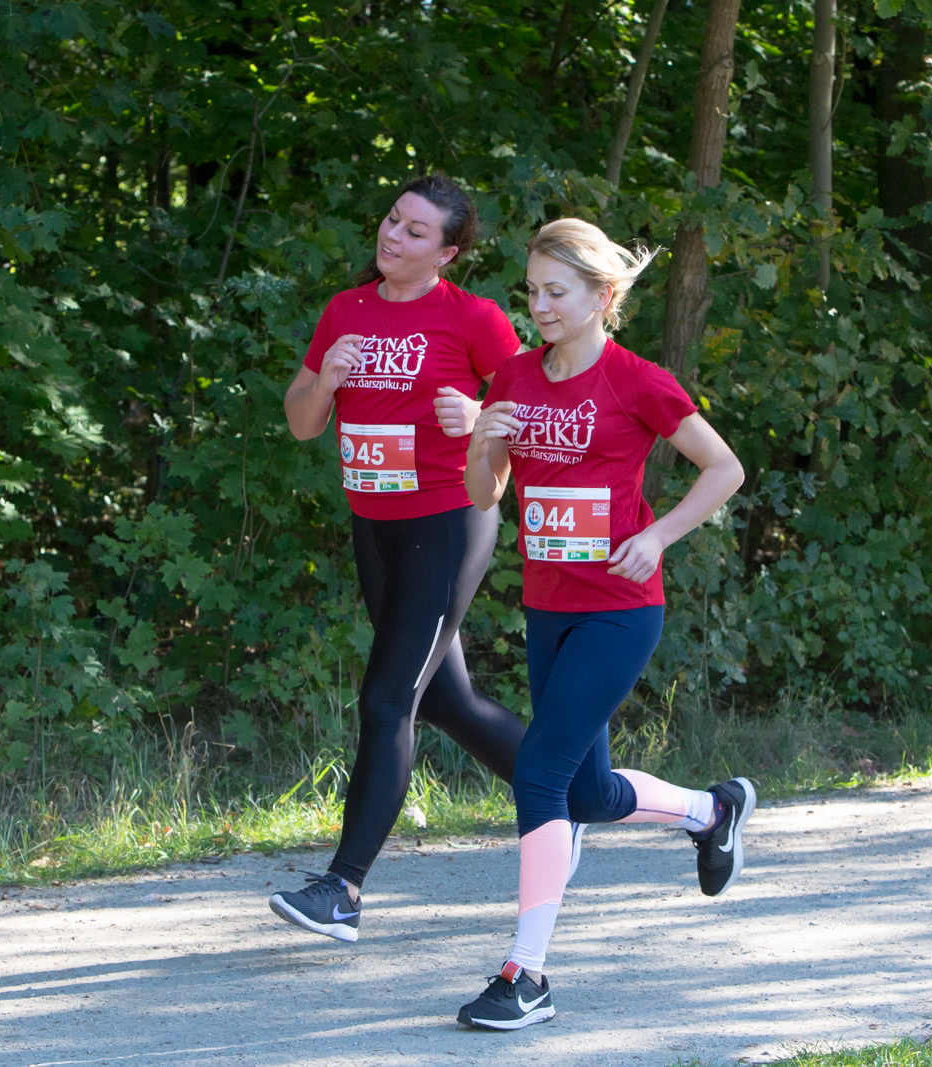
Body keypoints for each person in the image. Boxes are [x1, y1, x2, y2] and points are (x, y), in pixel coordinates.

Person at [455, 218, 753, 1030]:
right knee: (584, 791)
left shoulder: (636, 381)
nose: (539, 305)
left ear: (603, 296)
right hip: (548, 606)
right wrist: (486, 441)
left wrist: (657, 534)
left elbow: (723, 468)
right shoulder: (516, 374)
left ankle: (527, 973)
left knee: (539, 775)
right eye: (532, 290)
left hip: (621, 610)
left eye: (557, 291)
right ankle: (711, 812)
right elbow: (485, 493)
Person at [271, 175, 533, 944]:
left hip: (447, 523)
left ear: (448, 253)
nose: (393, 236)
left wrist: (482, 415)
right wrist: (328, 378)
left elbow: (534, 414)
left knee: (388, 700)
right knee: (446, 701)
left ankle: (343, 888)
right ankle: (578, 793)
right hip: (375, 526)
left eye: (417, 232)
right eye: (392, 219)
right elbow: (301, 423)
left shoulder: (473, 318)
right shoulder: (345, 310)